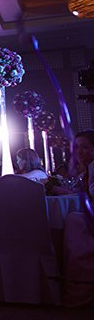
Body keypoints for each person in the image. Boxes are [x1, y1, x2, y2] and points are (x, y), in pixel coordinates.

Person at [62, 130, 94, 306]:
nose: (80, 152)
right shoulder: (87, 168)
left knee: (73, 220)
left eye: (85, 147)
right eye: (77, 147)